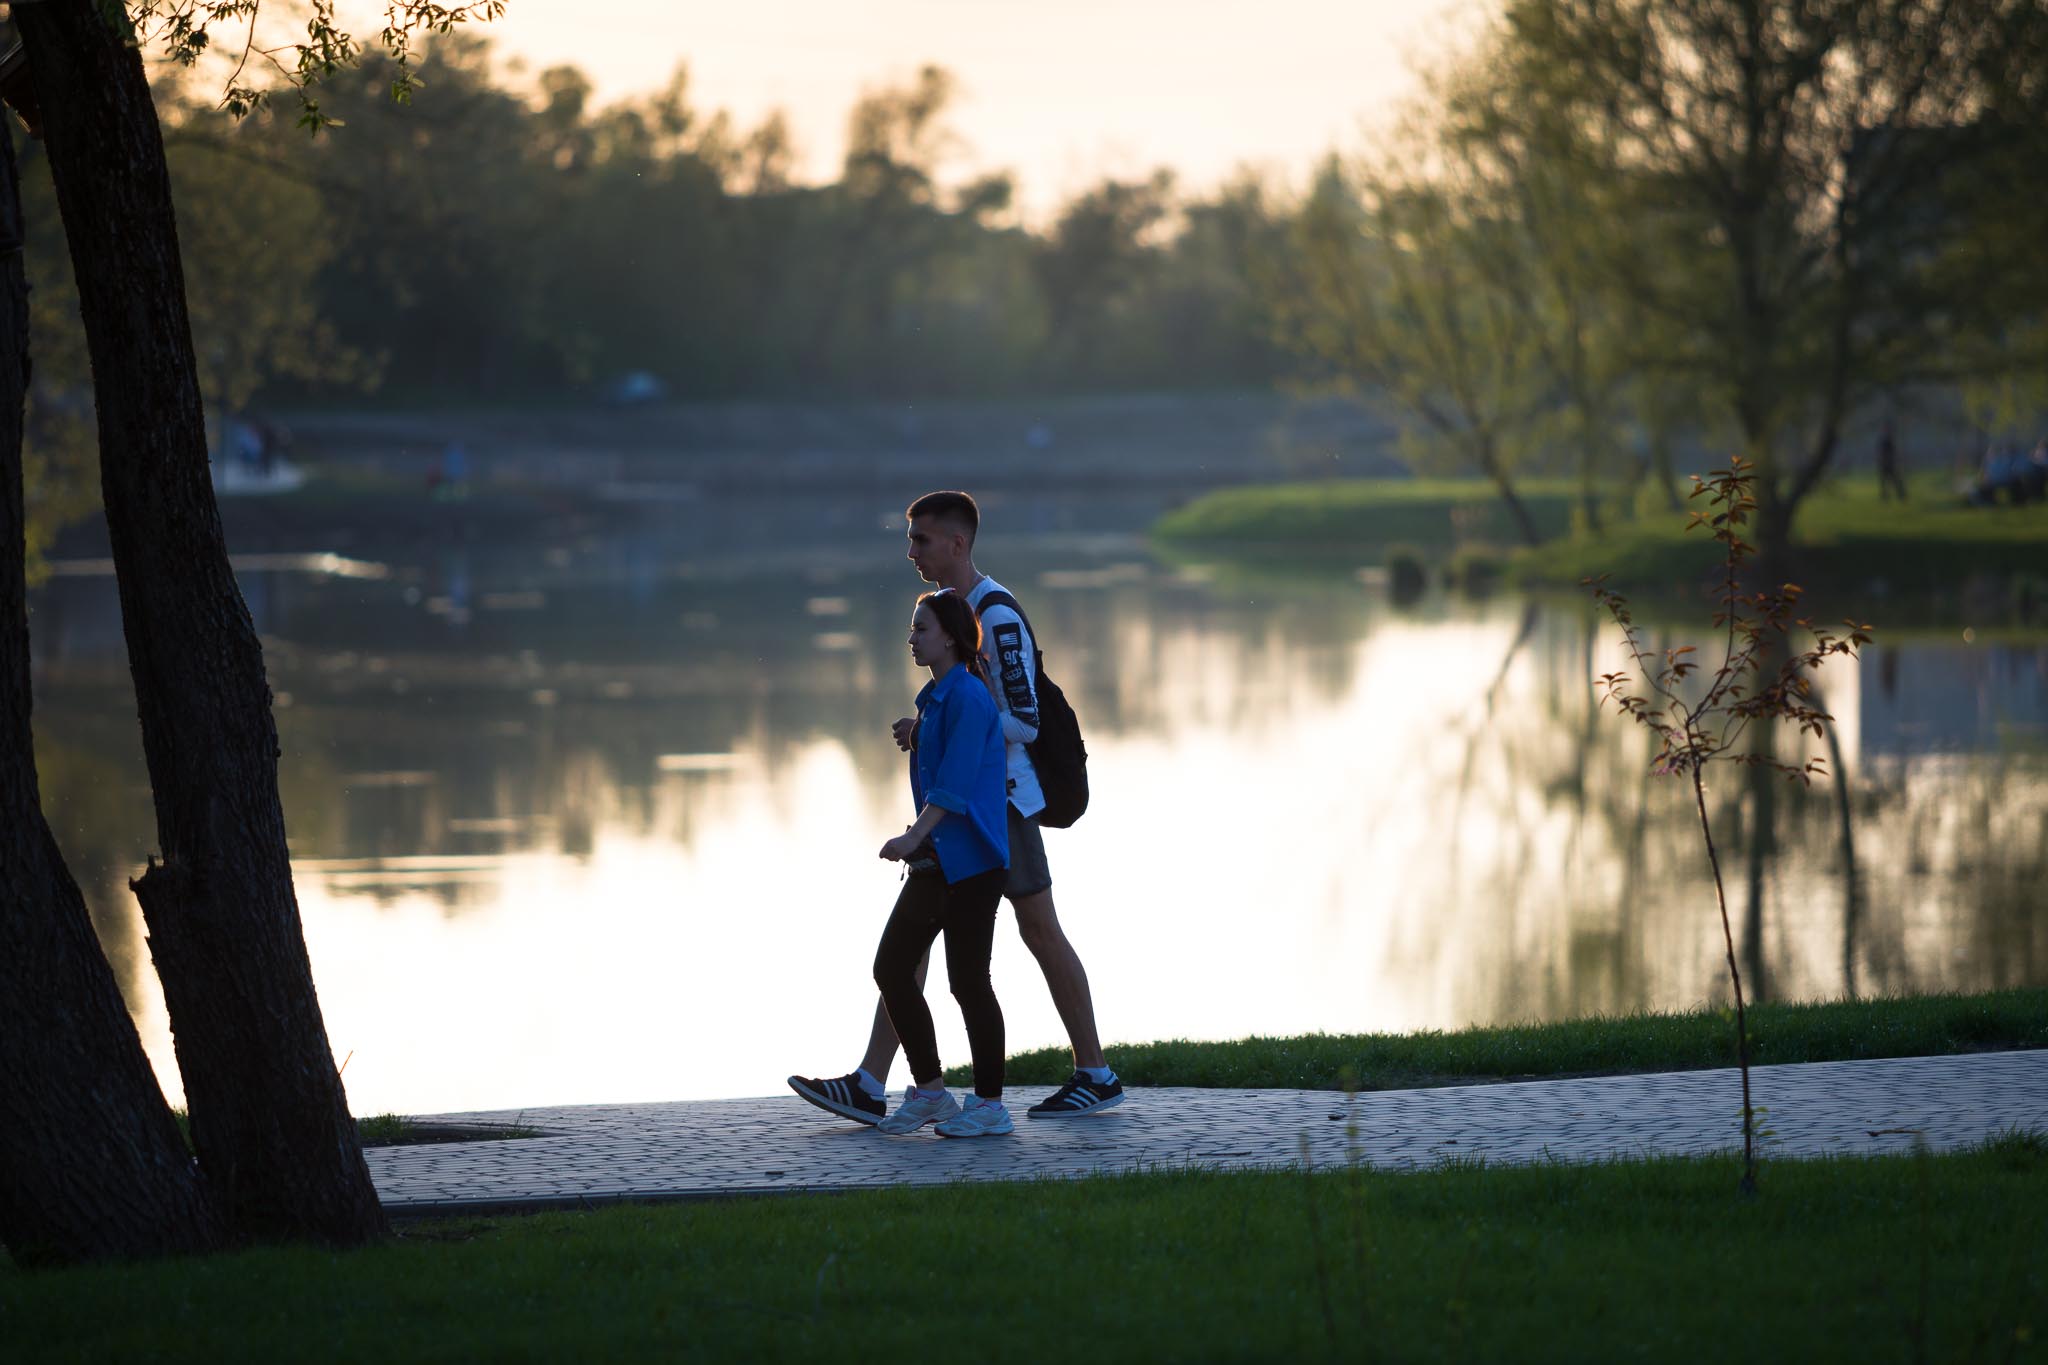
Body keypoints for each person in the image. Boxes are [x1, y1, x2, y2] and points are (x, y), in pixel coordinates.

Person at [790, 490, 1125, 1123]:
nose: (911, 550)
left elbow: (1023, 721)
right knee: (918, 940)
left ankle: (1093, 1073)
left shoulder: (993, 615)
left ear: (957, 543)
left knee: (1033, 929)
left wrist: (951, 734)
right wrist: (930, 731)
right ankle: (873, 1081)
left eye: (920, 539)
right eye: (910, 538)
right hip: (968, 802)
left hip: (999, 804)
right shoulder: (948, 613)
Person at [869, 589, 1014, 1138]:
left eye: (920, 629)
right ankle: (931, 1092)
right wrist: (920, 730)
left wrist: (912, 838)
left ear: (950, 636)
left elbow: (953, 789)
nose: (911, 638)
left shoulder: (969, 698)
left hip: (972, 862)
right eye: (912, 629)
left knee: (969, 983)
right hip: (940, 860)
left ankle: (990, 1107)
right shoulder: (938, 698)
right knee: (892, 968)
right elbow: (951, 754)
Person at [1876, 417, 1907, 501]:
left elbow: (1891, 452)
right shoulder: (1885, 439)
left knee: (1893, 481)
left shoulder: (1888, 439)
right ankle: (1887, 497)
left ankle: (1900, 496)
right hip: (1886, 464)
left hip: (1889, 463)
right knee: (1886, 482)